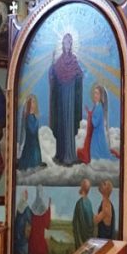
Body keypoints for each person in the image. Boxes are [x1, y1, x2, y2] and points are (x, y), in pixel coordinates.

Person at [49, 32, 83, 165]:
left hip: (71, 96)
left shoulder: (74, 60)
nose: (67, 44)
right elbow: (54, 75)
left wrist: (78, 76)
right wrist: (52, 66)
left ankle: (69, 155)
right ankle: (61, 154)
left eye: (69, 42)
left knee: (69, 123)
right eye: (65, 42)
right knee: (62, 122)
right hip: (62, 97)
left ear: (72, 44)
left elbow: (80, 74)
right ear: (62, 44)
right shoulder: (59, 61)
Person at [77, 83, 115, 162]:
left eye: (97, 93)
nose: (95, 95)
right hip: (96, 135)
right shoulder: (96, 106)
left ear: (101, 96)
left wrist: (90, 115)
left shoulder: (99, 107)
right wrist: (90, 113)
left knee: (97, 156)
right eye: (94, 93)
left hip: (98, 136)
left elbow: (95, 123)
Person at [18, 94, 45, 170]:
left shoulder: (34, 115)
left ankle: (37, 162)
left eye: (34, 102)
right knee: (31, 151)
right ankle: (31, 164)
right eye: (31, 102)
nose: (32, 104)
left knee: (36, 149)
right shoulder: (28, 117)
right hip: (30, 140)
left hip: (35, 140)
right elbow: (31, 130)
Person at [28, 185, 51, 254]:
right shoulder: (43, 207)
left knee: (33, 252)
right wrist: (49, 207)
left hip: (33, 236)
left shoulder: (33, 206)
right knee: (41, 252)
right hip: (40, 236)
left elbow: (30, 221)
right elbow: (47, 224)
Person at [72, 178, 95, 249]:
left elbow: (76, 224)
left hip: (81, 239)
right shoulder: (89, 202)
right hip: (89, 239)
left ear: (82, 188)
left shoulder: (79, 204)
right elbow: (91, 221)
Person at [14, 188, 32, 254]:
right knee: (23, 245)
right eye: (26, 195)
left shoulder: (19, 205)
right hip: (23, 229)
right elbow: (30, 218)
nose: (27, 196)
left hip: (18, 228)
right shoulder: (26, 207)